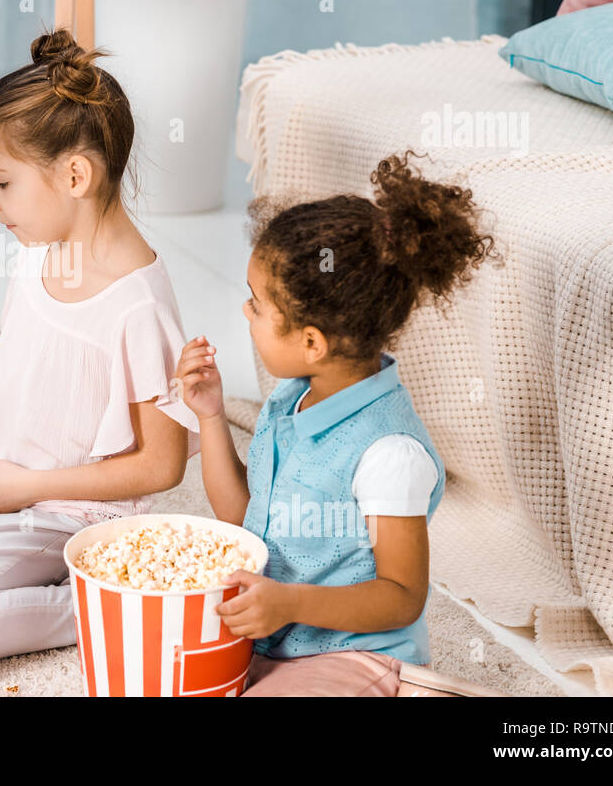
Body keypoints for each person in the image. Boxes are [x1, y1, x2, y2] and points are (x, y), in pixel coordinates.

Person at [0, 27, 201, 667]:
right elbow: (16, 343)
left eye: (1, 182)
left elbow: (162, 465)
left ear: (74, 175)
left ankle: (102, 602)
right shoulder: (40, 253)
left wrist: (30, 488)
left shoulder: (138, 309)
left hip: (68, 514)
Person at [175, 150, 500, 695]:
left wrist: (289, 604)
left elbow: (402, 595)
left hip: (353, 656)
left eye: (256, 305)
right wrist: (210, 416)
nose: (244, 314)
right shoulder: (289, 402)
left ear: (310, 342)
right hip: (268, 642)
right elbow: (241, 518)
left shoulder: (387, 453)